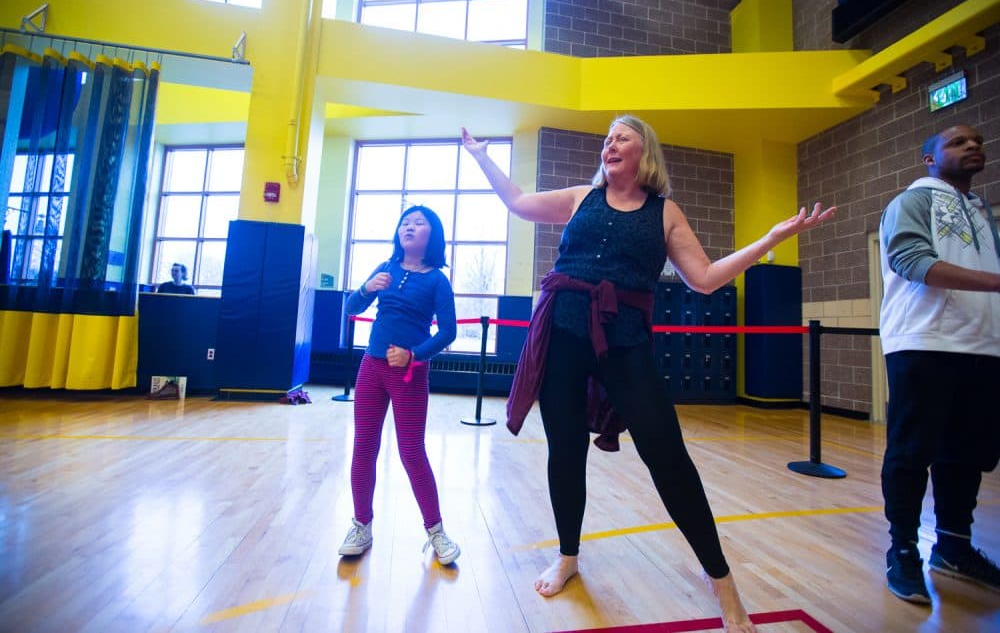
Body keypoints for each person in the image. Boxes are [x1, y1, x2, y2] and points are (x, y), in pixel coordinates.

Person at [462, 117, 835, 633]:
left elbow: (703, 280)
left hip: (626, 346)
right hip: (562, 340)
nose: (610, 144)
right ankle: (568, 556)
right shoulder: (579, 197)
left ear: (645, 154)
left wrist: (768, 239)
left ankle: (722, 581)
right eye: (609, 138)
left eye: (623, 137)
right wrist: (482, 156)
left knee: (669, 457)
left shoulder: (666, 214)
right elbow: (519, 202)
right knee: (565, 451)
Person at [878, 123, 1000, 604]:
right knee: (911, 453)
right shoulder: (912, 200)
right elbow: (912, 261)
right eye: (957, 142)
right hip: (924, 342)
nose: (973, 145)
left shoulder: (980, 210)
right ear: (929, 159)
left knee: (966, 453)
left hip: (982, 346)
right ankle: (903, 549)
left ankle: (953, 547)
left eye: (978, 141)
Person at [338, 205, 461, 565]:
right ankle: (361, 525)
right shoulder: (385, 268)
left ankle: (436, 532)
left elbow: (449, 332)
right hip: (371, 368)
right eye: (405, 221)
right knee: (364, 446)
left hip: (409, 375)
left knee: (411, 453)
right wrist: (364, 288)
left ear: (431, 235)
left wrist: (414, 355)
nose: (409, 226)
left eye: (419, 223)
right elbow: (350, 306)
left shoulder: (437, 280)